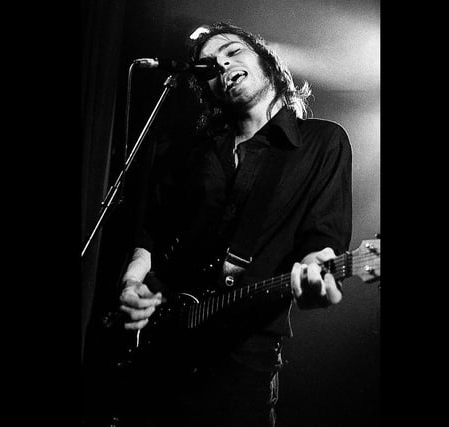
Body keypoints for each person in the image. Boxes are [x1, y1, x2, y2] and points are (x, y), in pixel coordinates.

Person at [115, 22, 352, 427]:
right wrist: (133, 287)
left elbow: (322, 240)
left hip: (243, 363)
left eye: (232, 51)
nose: (220, 63)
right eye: (207, 66)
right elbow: (149, 237)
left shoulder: (321, 143)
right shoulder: (190, 155)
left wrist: (318, 274)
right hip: (160, 354)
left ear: (268, 61)